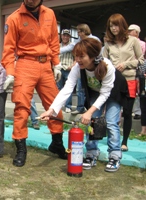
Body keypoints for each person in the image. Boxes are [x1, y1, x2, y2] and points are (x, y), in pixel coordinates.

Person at [40, 38, 128, 172]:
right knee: (93, 122)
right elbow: (67, 89)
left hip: (114, 92)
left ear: (93, 56)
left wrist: (89, 111)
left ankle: (115, 156)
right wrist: (51, 110)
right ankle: (91, 153)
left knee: (110, 122)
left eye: (82, 56)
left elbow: (105, 93)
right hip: (96, 92)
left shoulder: (107, 66)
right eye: (76, 56)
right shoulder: (78, 68)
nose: (78, 59)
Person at [1, 0, 66, 167]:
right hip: (25, 64)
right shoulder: (14, 18)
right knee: (22, 107)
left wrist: (56, 63)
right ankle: (21, 149)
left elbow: (53, 40)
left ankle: (57, 143)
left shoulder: (49, 14)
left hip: (46, 65)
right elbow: (8, 49)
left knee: (55, 105)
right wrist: (10, 73)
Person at [102, 14, 144, 152]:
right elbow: (103, 61)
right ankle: (111, 139)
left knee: (127, 112)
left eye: (116, 25)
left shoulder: (133, 41)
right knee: (112, 111)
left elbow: (142, 60)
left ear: (123, 25)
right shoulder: (108, 43)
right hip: (113, 81)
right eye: (111, 26)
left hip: (129, 80)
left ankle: (124, 141)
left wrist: (126, 64)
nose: (114, 28)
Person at [128, 24, 146, 120]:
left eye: (131, 31)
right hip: (128, 69)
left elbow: (140, 57)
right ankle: (128, 110)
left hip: (138, 69)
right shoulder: (126, 42)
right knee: (128, 90)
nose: (129, 32)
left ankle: (137, 112)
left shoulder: (142, 44)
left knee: (139, 90)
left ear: (136, 32)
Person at [57, 29, 76, 113]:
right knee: (58, 88)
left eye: (67, 35)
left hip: (69, 69)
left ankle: (68, 106)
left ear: (69, 37)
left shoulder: (73, 46)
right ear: (61, 36)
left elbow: (76, 57)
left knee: (69, 88)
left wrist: (72, 66)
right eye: (64, 35)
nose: (65, 37)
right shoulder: (57, 46)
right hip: (59, 69)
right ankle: (59, 105)